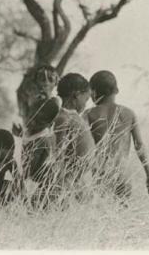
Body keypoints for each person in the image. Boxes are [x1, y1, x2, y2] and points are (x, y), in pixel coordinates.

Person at [85, 70, 149, 201]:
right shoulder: (128, 113)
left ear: (93, 92)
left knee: (101, 215)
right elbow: (139, 146)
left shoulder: (89, 114)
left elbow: (83, 147)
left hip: (100, 175)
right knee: (122, 216)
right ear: (116, 90)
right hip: (123, 175)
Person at [51, 73, 95, 202]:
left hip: (79, 178)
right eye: (86, 99)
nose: (86, 104)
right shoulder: (63, 118)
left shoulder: (72, 117)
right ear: (76, 95)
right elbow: (58, 153)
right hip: (69, 180)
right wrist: (59, 183)